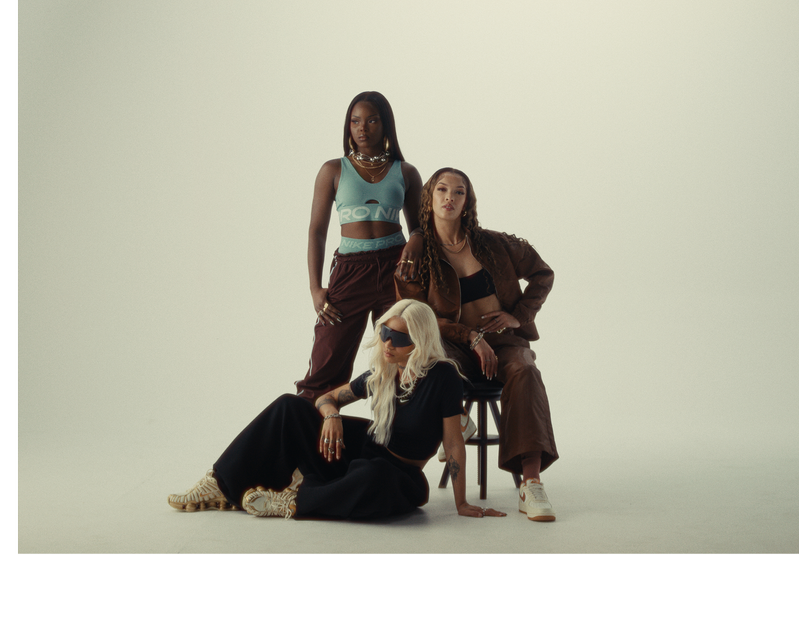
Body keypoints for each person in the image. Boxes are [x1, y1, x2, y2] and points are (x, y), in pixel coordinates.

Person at [167, 300, 505, 520]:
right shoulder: (383, 373)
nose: (387, 344)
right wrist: (331, 416)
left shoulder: (442, 376)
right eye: (385, 333)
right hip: (358, 451)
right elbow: (325, 398)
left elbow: (454, 442)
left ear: (419, 342)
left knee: (376, 477)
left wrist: (461, 504)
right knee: (290, 405)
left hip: (397, 473)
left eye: (399, 339)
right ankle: (222, 484)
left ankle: (289, 501)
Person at [397, 167, 561, 522]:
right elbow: (415, 315)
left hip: (504, 342)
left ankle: (531, 484)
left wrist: (518, 316)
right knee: (430, 356)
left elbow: (542, 274)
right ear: (429, 197)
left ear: (467, 201)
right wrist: (470, 336)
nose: (449, 198)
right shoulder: (417, 255)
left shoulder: (494, 243)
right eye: (442, 190)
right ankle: (458, 419)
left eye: (459, 192)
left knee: (525, 370)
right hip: (456, 347)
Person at [296, 92, 426, 401]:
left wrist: (418, 237)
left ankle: (395, 441)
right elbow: (316, 232)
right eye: (355, 121)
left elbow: (421, 227)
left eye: (371, 120)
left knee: (402, 359)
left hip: (397, 268)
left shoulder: (405, 172)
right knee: (327, 361)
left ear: (385, 125)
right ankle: (310, 432)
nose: (362, 128)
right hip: (351, 270)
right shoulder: (333, 170)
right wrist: (316, 288)